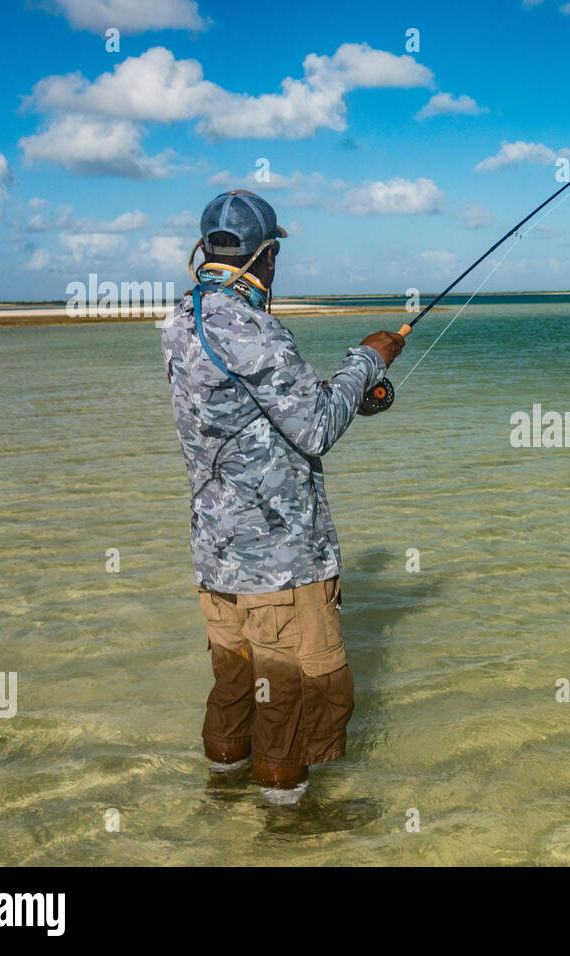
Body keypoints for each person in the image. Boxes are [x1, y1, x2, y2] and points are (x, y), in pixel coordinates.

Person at [160, 190, 404, 802]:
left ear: (207, 250)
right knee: (289, 710)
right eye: (275, 254)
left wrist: (338, 394)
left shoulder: (182, 318)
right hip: (279, 564)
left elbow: (253, 414)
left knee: (236, 691)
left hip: (218, 559)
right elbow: (316, 427)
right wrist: (367, 362)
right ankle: (289, 832)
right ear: (266, 256)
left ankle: (219, 802)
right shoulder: (252, 328)